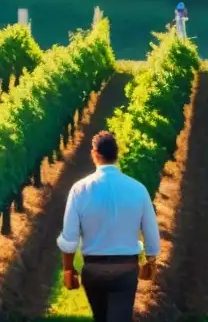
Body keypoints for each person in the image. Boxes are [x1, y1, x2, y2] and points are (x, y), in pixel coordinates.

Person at [57, 131, 160, 321]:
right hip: (125, 269)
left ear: (94, 154)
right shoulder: (137, 189)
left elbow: (70, 238)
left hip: (94, 270)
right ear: (117, 154)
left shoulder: (80, 189)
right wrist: (150, 262)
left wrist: (69, 269)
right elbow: (151, 232)